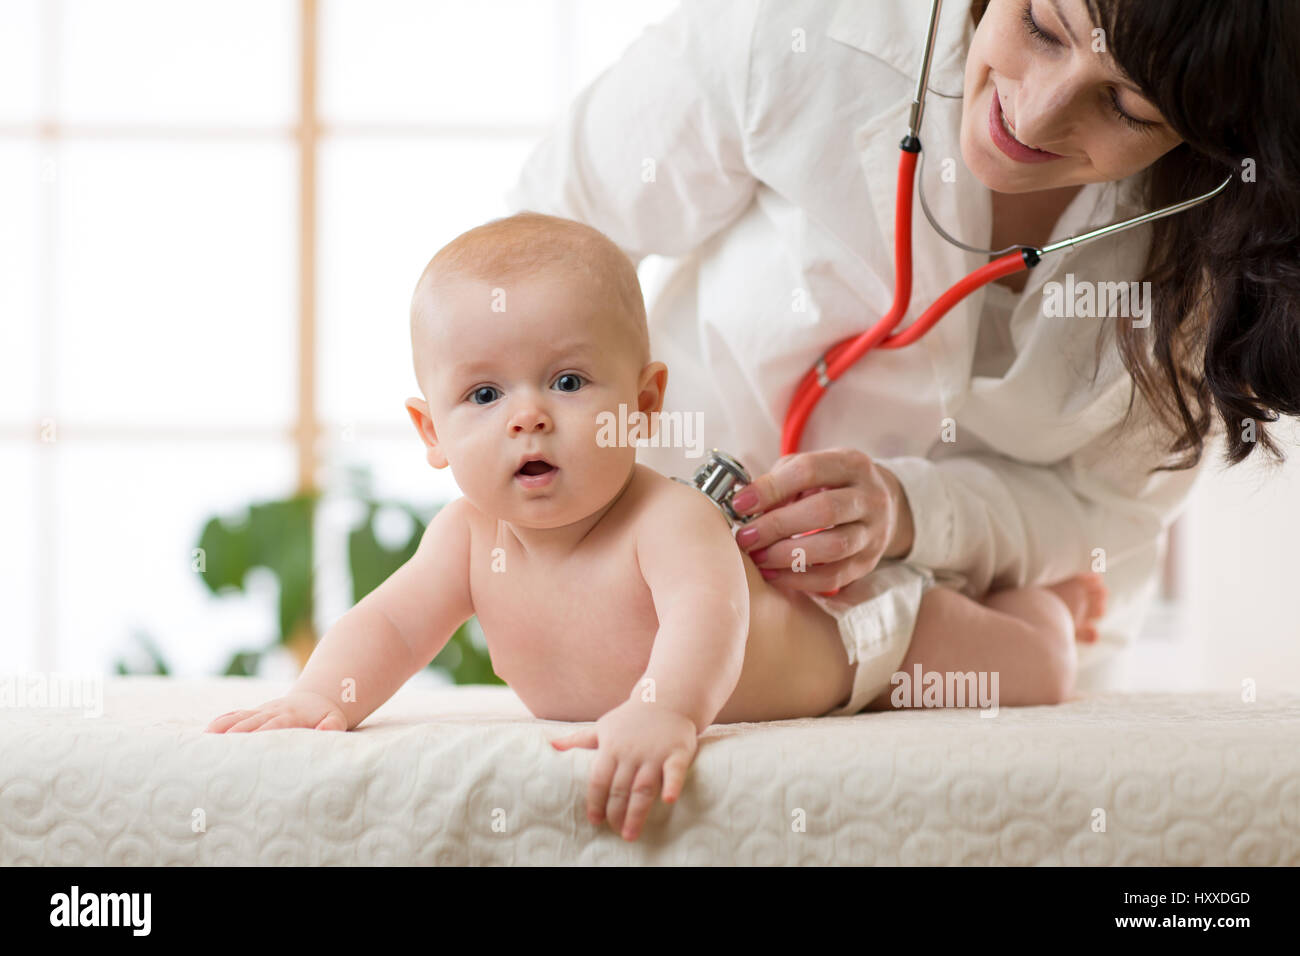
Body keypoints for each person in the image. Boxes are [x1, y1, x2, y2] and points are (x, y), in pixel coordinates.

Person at [206, 211, 1106, 844]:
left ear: (642, 406)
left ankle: (1048, 602)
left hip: (863, 639)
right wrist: (327, 695)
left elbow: (706, 624)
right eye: (484, 394)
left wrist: (664, 710)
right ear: (432, 433)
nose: (528, 416)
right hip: (825, 638)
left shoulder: (665, 518)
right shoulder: (465, 540)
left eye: (566, 382)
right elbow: (393, 624)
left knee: (1036, 668)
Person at [503, 0, 1300, 694]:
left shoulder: (1222, 246)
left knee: (1017, 671)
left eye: (1128, 105)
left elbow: (1111, 512)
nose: (1034, 115)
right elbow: (546, 240)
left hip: (989, 622)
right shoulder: (802, 30)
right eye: (1041, 27)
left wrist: (916, 513)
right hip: (691, 524)